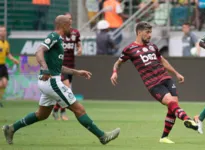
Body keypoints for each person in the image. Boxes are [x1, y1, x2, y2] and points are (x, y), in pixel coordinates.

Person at [2, 15, 120, 145]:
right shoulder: (54, 36)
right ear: (63, 25)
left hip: (48, 81)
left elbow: (58, 67)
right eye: (69, 25)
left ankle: (11, 128)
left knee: (41, 114)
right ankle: (102, 136)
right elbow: (39, 51)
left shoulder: (59, 40)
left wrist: (77, 72)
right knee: (79, 109)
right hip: (52, 82)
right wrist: (45, 69)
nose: (71, 27)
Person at [110, 22, 198, 144]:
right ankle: (187, 119)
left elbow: (162, 60)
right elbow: (118, 63)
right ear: (139, 32)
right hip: (153, 84)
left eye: (151, 32)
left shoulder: (152, 46)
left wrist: (176, 73)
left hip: (166, 78)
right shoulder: (129, 49)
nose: (150, 35)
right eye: (147, 32)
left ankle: (164, 137)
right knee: (171, 103)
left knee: (173, 106)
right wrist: (115, 72)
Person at [51, 13, 82, 121]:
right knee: (67, 88)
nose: (69, 21)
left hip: (70, 66)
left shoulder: (75, 33)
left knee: (66, 90)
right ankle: (60, 111)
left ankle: (57, 110)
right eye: (67, 19)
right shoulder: (58, 34)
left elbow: (78, 43)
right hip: (60, 66)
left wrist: (79, 49)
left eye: (70, 19)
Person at [0, 26, 20, 107]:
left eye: (4, 31)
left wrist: (13, 60)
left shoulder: (6, 44)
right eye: (1, 31)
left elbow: (7, 54)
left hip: (2, 66)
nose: (2, 32)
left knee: (4, 84)